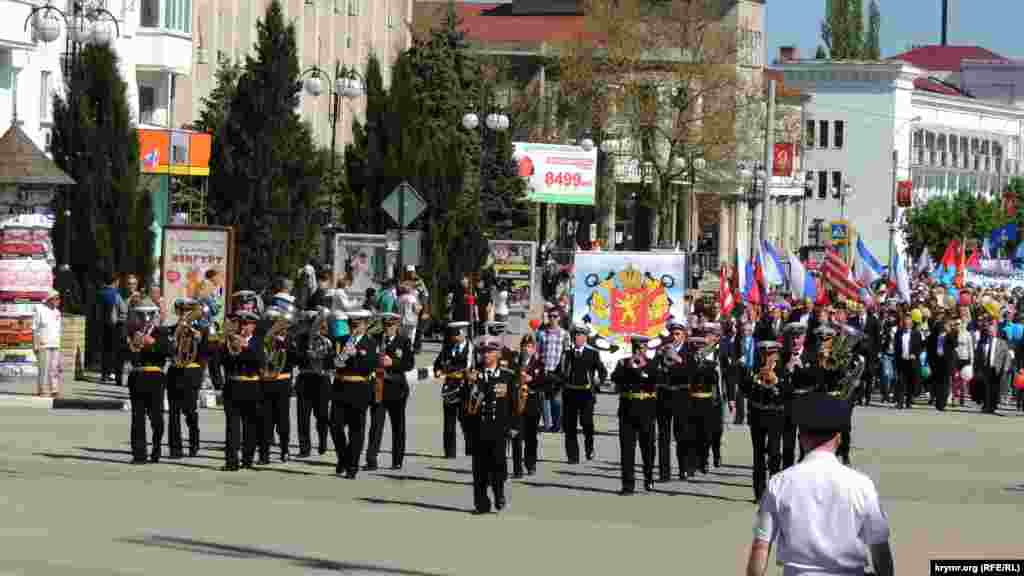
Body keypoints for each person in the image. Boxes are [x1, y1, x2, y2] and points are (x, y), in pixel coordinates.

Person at [745, 392, 894, 576]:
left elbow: (761, 546)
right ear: (839, 438)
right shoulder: (862, 485)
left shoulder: (779, 483)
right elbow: (880, 549)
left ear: (801, 437)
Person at [466, 339, 513, 514]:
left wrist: (514, 426)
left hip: (498, 428)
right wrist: (470, 384)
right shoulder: (473, 374)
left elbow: (513, 404)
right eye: (484, 351)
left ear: (498, 354)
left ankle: (499, 493)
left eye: (490, 351)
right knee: (479, 470)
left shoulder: (506, 375)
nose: (486, 355)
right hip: (478, 428)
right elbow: (467, 404)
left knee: (498, 466)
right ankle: (481, 503)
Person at [331, 309, 378, 478]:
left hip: (359, 389)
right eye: (351, 325)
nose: (353, 329)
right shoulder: (340, 340)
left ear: (365, 325)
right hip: (340, 388)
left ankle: (352, 466)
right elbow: (333, 361)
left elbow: (370, 366)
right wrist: (337, 359)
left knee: (356, 430)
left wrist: (356, 354)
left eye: (357, 325)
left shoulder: (371, 343)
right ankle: (343, 457)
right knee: (335, 426)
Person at [222, 292, 264, 471]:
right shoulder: (229, 340)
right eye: (241, 323)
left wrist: (246, 348)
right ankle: (231, 461)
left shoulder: (258, 342)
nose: (243, 327)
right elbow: (221, 359)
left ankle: (247, 459)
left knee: (250, 425)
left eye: (247, 323)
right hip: (232, 385)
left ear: (253, 326)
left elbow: (261, 362)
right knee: (232, 426)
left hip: (252, 385)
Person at [366, 312, 414, 470]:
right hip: (378, 386)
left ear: (397, 326)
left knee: (398, 425)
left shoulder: (404, 341)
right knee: (375, 424)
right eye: (386, 325)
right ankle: (371, 459)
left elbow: (409, 364)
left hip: (397, 388)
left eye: (391, 326)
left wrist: (392, 362)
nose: (388, 329)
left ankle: (397, 460)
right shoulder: (375, 338)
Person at [553, 323, 606, 464]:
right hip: (570, 392)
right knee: (569, 426)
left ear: (585, 338)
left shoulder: (592, 353)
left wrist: (599, 380)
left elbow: (602, 370)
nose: (577, 337)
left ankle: (589, 448)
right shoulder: (567, 354)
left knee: (587, 423)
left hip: (586, 393)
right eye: (575, 335)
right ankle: (572, 456)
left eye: (580, 335)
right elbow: (559, 372)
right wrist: (552, 379)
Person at [611, 335, 657, 494]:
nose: (639, 351)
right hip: (627, 410)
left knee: (648, 448)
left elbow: (655, 381)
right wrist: (629, 367)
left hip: (646, 410)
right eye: (637, 348)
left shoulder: (652, 364)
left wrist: (642, 369)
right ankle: (627, 485)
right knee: (627, 450)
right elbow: (614, 378)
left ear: (647, 348)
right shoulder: (623, 363)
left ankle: (649, 476)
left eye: (643, 348)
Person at [740, 341, 785, 502]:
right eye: (764, 355)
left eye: (770, 354)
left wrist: (776, 382)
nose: (767, 358)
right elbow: (744, 389)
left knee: (774, 454)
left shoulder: (783, 369)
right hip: (757, 415)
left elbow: (788, 392)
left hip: (775, 415)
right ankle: (759, 494)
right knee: (758, 455)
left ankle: (774, 491)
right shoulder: (753, 369)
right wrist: (754, 380)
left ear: (776, 354)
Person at [125, 304, 169, 464]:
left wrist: (153, 344)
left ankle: (156, 448)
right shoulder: (132, 333)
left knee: (156, 418)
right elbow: (123, 354)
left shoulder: (161, 332)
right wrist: (131, 345)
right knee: (137, 418)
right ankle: (139, 455)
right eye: (141, 316)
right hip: (137, 376)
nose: (145, 319)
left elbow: (168, 351)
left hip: (155, 376)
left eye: (148, 315)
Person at [260, 285, 297, 463]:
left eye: (278, 322)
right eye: (272, 321)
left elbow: (295, 359)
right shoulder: (264, 337)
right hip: (267, 379)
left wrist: (285, 345)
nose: (275, 325)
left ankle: (284, 449)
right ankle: (264, 453)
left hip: (282, 380)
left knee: (282, 417)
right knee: (265, 418)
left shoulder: (289, 337)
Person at [165, 299, 204, 459]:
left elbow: (209, 351)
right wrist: (172, 339)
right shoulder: (170, 329)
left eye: (187, 311)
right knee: (173, 414)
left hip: (191, 373)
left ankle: (194, 444)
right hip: (175, 372)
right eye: (181, 311)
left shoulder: (201, 329)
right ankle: (175, 449)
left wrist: (200, 338)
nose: (184, 314)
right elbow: (166, 351)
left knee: (190, 412)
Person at [654, 319, 691, 481]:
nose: (675, 337)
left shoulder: (689, 352)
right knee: (663, 436)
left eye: (678, 334)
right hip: (664, 396)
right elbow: (655, 371)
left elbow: (691, 373)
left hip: (681, 396)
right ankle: (664, 472)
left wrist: (677, 360)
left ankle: (683, 468)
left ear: (684, 335)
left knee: (682, 434)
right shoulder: (662, 351)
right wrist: (660, 356)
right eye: (673, 334)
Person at [295, 307, 334, 458]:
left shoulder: (328, 338)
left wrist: (320, 356)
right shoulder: (301, 339)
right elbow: (296, 359)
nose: (313, 325)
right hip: (305, 378)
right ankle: (304, 448)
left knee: (322, 416)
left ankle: (323, 442)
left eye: (315, 322)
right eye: (310, 322)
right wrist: (307, 354)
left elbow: (331, 360)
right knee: (303, 417)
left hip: (322, 380)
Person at [434, 321, 474, 458]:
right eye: (453, 335)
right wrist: (438, 370)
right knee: (449, 422)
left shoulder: (471, 349)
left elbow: (472, 368)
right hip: (449, 387)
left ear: (464, 333)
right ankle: (450, 452)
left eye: (457, 334)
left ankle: (471, 448)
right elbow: (438, 363)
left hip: (465, 388)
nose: (454, 338)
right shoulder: (448, 347)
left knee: (466, 419)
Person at [511, 334, 543, 477]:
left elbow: (543, 383)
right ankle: (517, 468)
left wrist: (532, 380)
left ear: (534, 349)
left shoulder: (538, 364)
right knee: (516, 436)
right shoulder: (514, 363)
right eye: (524, 346)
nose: (526, 349)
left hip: (532, 404)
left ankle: (531, 464)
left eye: (529, 346)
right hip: (517, 404)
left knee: (531, 437)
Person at [536, 307, 569, 432]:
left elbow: (566, 354)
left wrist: (564, 371)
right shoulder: (541, 333)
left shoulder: (564, 334)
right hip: (544, 370)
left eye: (555, 316)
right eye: (550, 316)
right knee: (545, 399)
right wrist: (538, 368)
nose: (552, 318)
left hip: (557, 372)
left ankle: (557, 425)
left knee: (556, 400)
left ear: (559, 318)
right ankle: (547, 425)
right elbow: (537, 352)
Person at [974, 315, 1011, 414]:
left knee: (995, 388)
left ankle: (992, 406)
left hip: (997, 368)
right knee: (986, 387)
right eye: (989, 331)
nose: (990, 333)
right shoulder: (982, 343)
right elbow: (978, 356)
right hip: (986, 368)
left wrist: (1005, 368)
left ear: (995, 332)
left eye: (992, 331)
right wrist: (976, 368)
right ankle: (986, 406)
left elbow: (1007, 356)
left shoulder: (1002, 343)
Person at [97, 272, 128, 385]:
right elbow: (123, 310)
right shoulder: (115, 294)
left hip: (103, 325)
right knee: (116, 352)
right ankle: (114, 374)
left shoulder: (100, 293)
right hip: (115, 326)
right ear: (115, 282)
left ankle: (104, 374)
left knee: (105, 351)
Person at [32, 289, 63, 398]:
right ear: (50, 299)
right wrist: (35, 344)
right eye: (57, 299)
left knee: (54, 368)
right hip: (43, 343)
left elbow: (58, 330)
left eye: (59, 299)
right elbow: (35, 328)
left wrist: (59, 345)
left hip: (55, 344)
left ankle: (54, 389)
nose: (59, 301)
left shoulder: (57, 312)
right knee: (44, 368)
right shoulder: (40, 309)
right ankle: (42, 390)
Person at [893, 313, 923, 410]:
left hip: (912, 361)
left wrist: (915, 354)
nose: (906, 323)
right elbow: (896, 346)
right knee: (901, 381)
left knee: (911, 382)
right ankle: (900, 402)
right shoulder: (899, 333)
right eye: (905, 321)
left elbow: (919, 347)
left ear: (911, 323)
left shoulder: (916, 333)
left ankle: (909, 401)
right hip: (901, 361)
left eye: (908, 321)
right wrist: (897, 356)